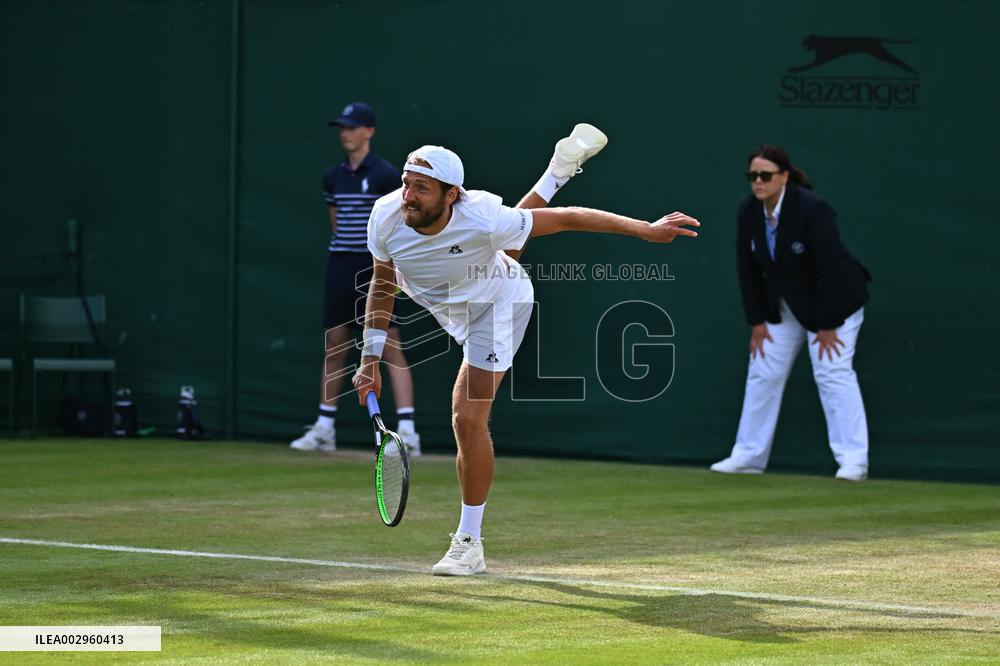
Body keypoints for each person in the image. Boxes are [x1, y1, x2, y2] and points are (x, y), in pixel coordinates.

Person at [352, 126, 700, 575]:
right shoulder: (385, 217)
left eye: (421, 187)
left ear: (451, 194)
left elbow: (570, 218)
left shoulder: (480, 216)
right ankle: (556, 171)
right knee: (508, 244)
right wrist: (369, 359)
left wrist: (646, 231)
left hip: (497, 305)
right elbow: (381, 285)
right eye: (405, 182)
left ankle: (469, 543)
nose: (408, 195)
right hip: (447, 297)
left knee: (467, 415)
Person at [712, 144, 872, 481]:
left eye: (765, 175)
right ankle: (747, 456)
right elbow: (747, 268)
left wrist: (827, 325)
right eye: (752, 175)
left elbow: (828, 269)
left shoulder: (814, 210)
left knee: (831, 371)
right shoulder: (748, 211)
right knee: (763, 369)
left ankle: (853, 461)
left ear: (784, 176)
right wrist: (756, 320)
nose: (758, 182)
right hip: (784, 307)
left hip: (835, 305)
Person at [290, 102, 421, 454]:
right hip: (340, 266)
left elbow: (397, 225)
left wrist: (388, 267)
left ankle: (407, 430)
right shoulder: (332, 177)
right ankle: (324, 427)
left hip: (376, 267)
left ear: (369, 131)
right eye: (341, 128)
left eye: (352, 127)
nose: (345, 133)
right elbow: (337, 223)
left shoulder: (387, 176)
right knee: (335, 343)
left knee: (389, 345)